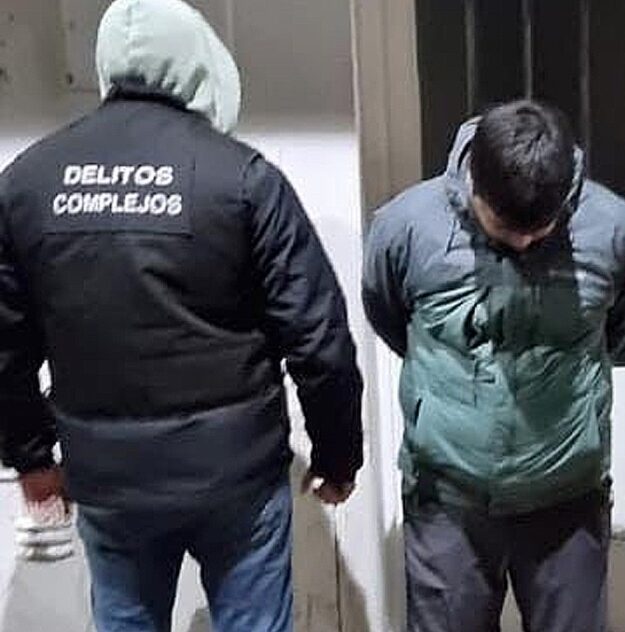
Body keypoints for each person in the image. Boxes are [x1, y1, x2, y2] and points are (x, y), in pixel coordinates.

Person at [0, 0, 364, 630]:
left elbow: (4, 345)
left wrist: (31, 458)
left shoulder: (27, 183)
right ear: (201, 62)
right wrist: (337, 458)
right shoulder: (242, 178)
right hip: (236, 475)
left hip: (109, 478)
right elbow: (318, 340)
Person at [363, 99, 625, 632]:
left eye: (538, 230)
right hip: (448, 498)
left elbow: (617, 328)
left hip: (567, 495)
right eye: (505, 226)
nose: (522, 241)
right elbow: (389, 316)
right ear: (474, 182)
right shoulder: (406, 226)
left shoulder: (616, 229)